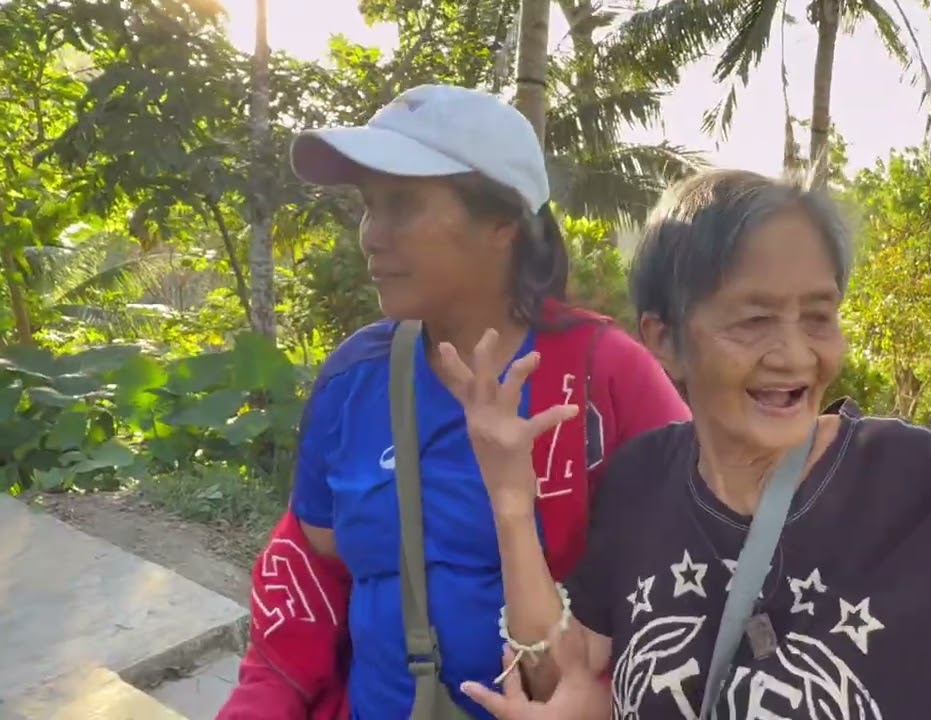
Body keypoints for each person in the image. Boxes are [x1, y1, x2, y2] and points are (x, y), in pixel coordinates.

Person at [443, 119, 931, 719]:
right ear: (665, 340)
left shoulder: (927, 492)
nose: (794, 355)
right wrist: (511, 503)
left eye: (818, 316)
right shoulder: (642, 483)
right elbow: (566, 677)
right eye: (752, 320)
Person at [216, 84, 689, 719]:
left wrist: (599, 706)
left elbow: (695, 592)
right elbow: (309, 581)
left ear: (502, 223)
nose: (371, 237)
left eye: (403, 205)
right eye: (368, 206)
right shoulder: (356, 380)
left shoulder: (604, 378)